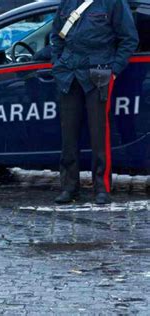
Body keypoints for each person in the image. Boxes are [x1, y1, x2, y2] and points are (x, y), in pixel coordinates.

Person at [51, 0, 138, 205]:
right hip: (69, 74)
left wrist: (114, 70)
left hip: (99, 73)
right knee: (68, 136)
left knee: (100, 135)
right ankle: (69, 187)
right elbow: (56, 36)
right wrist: (57, 64)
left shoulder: (112, 2)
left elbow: (129, 39)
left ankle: (102, 188)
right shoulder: (67, 2)